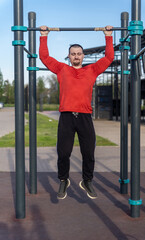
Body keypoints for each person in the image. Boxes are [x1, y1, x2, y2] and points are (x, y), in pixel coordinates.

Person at [39, 25, 114, 200]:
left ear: (83, 56)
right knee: (63, 152)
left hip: (85, 117)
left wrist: (108, 35)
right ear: (69, 56)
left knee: (88, 152)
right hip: (66, 116)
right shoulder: (61, 69)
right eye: (73, 53)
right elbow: (44, 56)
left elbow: (109, 56)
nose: (76, 56)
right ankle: (63, 180)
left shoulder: (92, 70)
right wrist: (44, 35)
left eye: (79, 53)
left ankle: (87, 180)